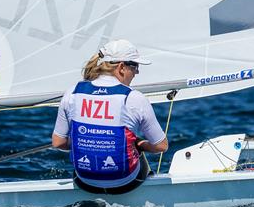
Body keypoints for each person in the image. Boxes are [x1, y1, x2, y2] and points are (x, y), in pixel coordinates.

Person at [52, 39, 168, 195]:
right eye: (135, 66)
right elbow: (161, 146)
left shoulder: (72, 92)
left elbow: (58, 142)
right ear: (121, 67)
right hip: (126, 183)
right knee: (132, 146)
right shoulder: (134, 98)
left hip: (85, 182)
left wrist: (87, 141)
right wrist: (139, 144)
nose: (137, 72)